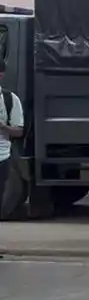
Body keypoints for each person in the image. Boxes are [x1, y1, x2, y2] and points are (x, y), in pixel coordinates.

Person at [0, 62, 24, 199]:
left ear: (1, 75)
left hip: (2, 157)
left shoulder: (10, 99)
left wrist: (3, 127)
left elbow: (19, 131)